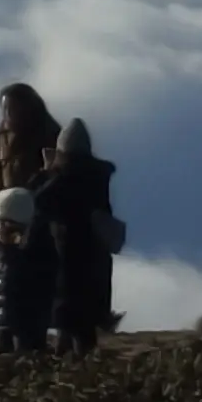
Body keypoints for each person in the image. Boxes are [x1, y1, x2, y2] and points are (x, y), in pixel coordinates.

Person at [36, 117, 121, 355]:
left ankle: (67, 357)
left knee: (67, 312)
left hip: (66, 251)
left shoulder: (64, 177)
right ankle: (85, 358)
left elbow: (39, 201)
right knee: (84, 319)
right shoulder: (97, 177)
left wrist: (46, 173)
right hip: (95, 254)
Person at [0, 180, 51, 351]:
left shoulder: (36, 254)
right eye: (0, 223)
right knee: (0, 349)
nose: (1, 229)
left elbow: (44, 284)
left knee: (27, 351)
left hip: (28, 323)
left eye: (10, 226)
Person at [0, 80, 60, 217]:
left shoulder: (48, 134)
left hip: (38, 208)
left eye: (13, 109)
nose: (8, 114)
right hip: (8, 206)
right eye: (5, 109)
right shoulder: (2, 136)